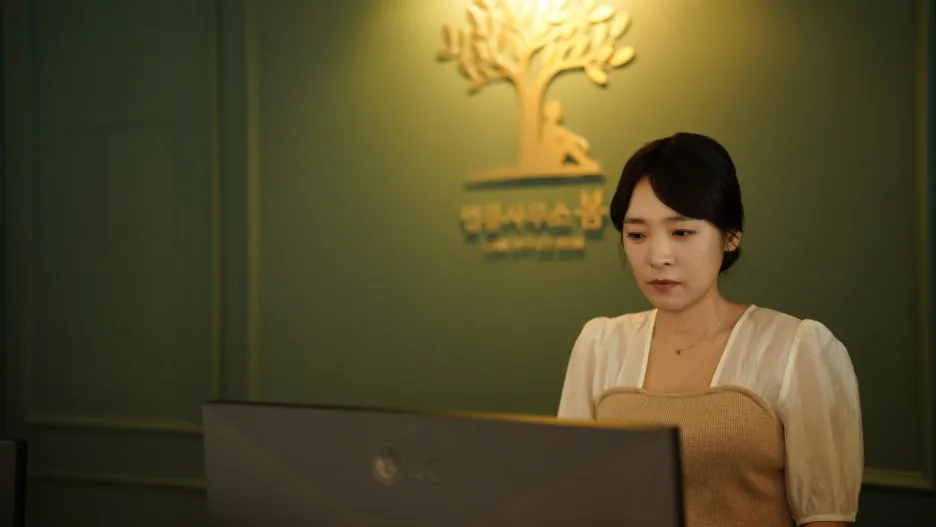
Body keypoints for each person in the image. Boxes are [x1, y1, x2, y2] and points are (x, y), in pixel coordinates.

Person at [556, 132, 863, 527]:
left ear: (730, 236)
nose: (658, 257)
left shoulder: (796, 348)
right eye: (637, 235)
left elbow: (825, 518)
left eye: (682, 232)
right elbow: (573, 497)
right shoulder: (600, 344)